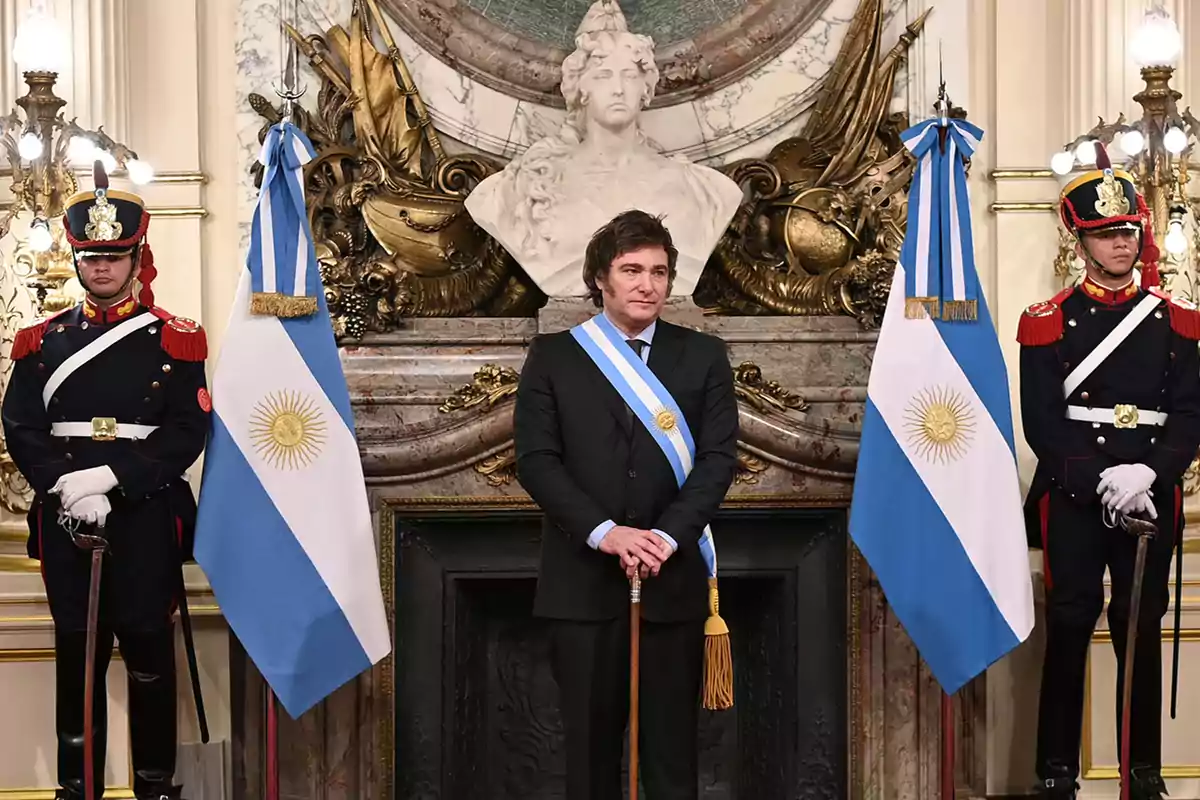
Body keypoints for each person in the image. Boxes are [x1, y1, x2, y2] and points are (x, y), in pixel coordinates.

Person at [513, 209, 738, 799]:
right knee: (588, 756)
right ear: (601, 279)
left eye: (659, 272)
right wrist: (605, 533)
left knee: (670, 755)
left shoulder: (703, 357)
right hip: (583, 586)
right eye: (631, 269)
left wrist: (665, 537)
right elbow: (537, 462)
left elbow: (717, 462)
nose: (647, 284)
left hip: (673, 582)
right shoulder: (555, 357)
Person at [2, 161, 210, 800]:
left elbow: (185, 434)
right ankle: (78, 788)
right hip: (69, 519)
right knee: (79, 658)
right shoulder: (43, 341)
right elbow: (21, 426)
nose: (101, 268)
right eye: (90, 257)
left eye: (114, 257)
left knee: (149, 655)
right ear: (76, 258)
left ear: (136, 256)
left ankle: (154, 786)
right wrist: (67, 487)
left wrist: (111, 480)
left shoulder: (175, 340)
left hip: (143, 516)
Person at [1018, 141, 1200, 800]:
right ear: (1081, 240)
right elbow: (1043, 422)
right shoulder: (1047, 323)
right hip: (1074, 494)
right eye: (1105, 233)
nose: (1121, 243)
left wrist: (1148, 476)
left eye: (1127, 230)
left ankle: (1141, 773)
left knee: (1138, 627)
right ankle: (1055, 772)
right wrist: (1101, 480)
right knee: (1069, 623)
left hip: (1150, 494)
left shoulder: (1178, 321)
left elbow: (1189, 417)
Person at [464, 0, 742, 298]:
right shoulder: (524, 187)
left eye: (630, 76)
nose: (619, 88)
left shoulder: (704, 189)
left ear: (646, 89)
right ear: (580, 88)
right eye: (603, 76)